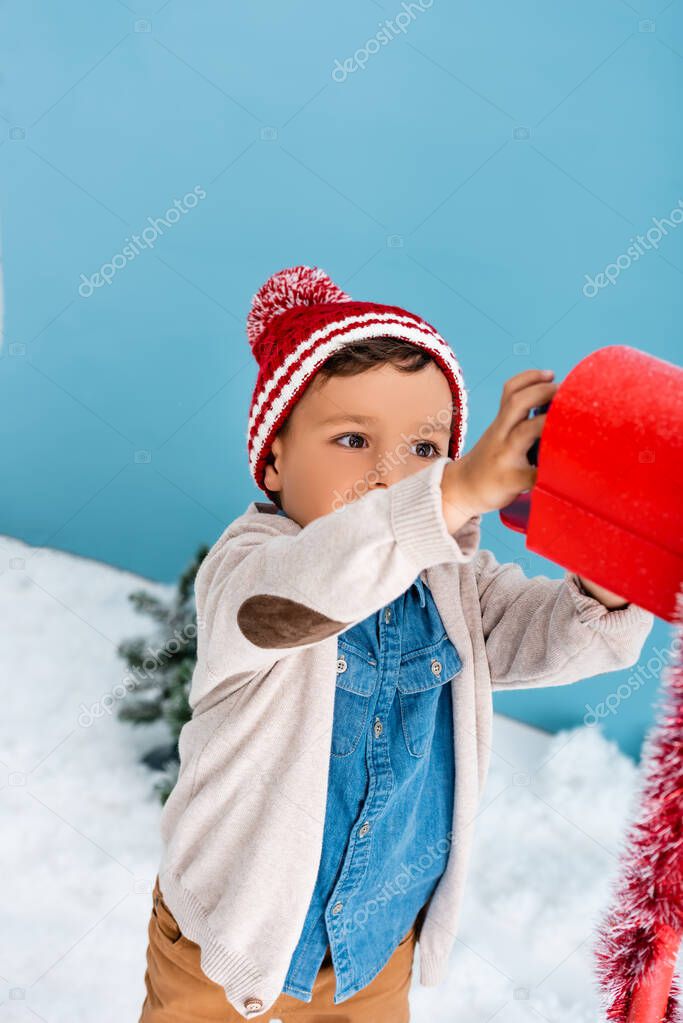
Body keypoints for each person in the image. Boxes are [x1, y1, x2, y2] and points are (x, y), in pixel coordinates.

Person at [139, 265, 654, 1022]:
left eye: (422, 448)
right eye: (353, 439)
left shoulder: (451, 582)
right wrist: (452, 491)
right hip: (224, 943)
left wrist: (606, 548)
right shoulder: (249, 570)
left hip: (371, 951)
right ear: (275, 458)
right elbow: (318, 586)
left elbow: (563, 639)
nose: (389, 475)